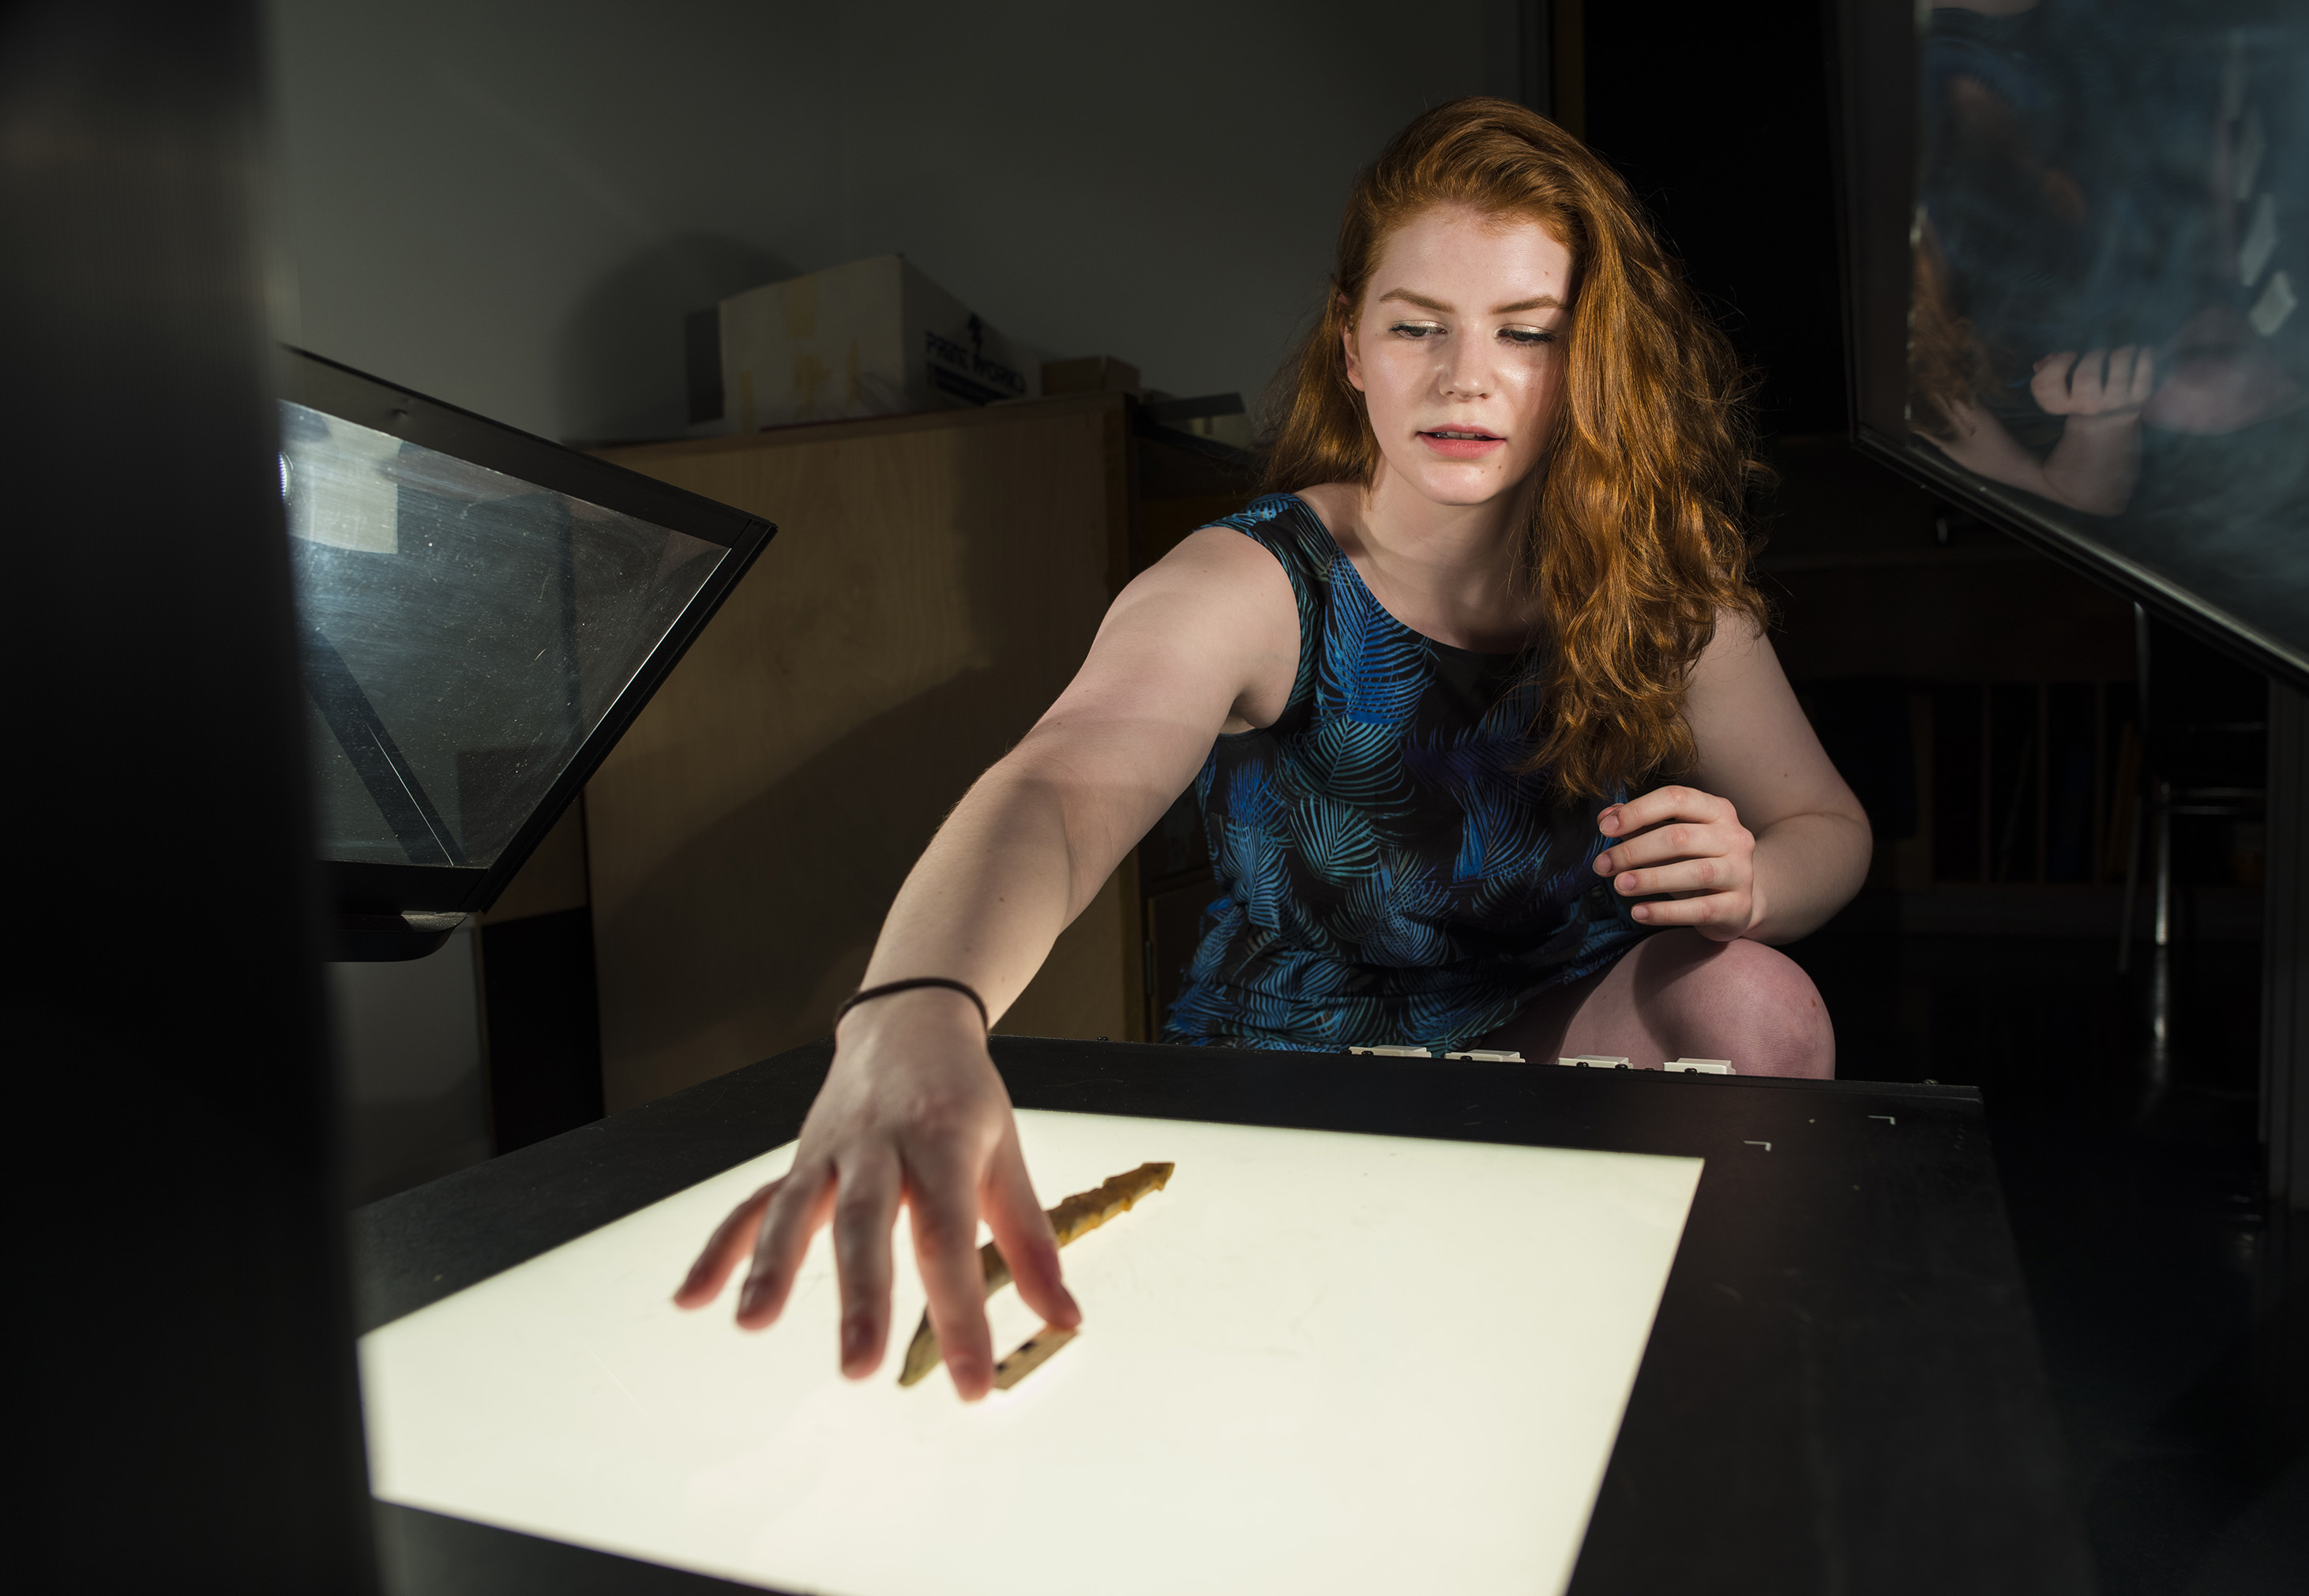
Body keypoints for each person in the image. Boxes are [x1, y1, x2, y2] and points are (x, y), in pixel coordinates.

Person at [675, 99, 1870, 1398]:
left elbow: (1829, 826)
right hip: (1303, 1068)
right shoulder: (1254, 580)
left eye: (1525, 334)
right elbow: (1067, 780)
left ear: (1588, 362)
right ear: (1354, 348)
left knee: (1759, 998)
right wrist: (914, 1013)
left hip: (1554, 1040)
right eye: (1418, 326)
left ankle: (1706, 1389)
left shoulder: (1664, 583)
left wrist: (1758, 879)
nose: (1466, 378)